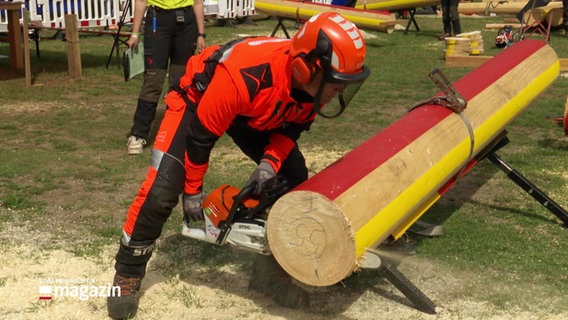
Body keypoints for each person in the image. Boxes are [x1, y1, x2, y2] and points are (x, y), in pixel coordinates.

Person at [107, 12, 371, 319]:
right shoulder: (245, 73)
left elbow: (291, 128)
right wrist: (192, 192)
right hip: (198, 100)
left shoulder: (312, 87)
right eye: (336, 84)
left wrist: (269, 166)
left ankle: (268, 270)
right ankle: (128, 271)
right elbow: (200, 138)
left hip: (255, 110)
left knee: (293, 177)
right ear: (306, 68)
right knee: (162, 190)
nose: (338, 92)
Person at [126, 0, 206, 155]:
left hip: (186, 23)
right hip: (158, 21)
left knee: (180, 81)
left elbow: (198, 3)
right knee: (153, 79)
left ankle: (176, 132)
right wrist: (134, 33)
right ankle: (138, 134)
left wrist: (201, 34)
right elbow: (141, 1)